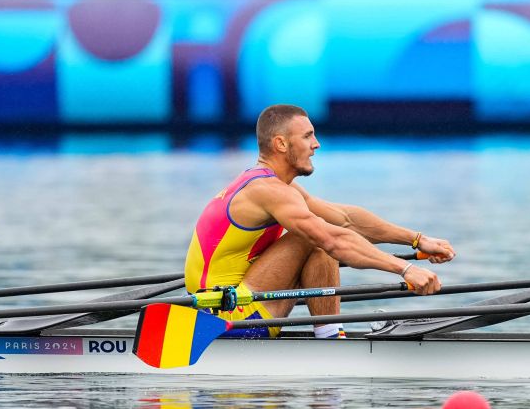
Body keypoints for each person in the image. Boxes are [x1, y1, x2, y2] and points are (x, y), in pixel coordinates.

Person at [185, 104, 456, 337]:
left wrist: (418, 239)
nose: (316, 144)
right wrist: (406, 269)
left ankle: (329, 335)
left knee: (319, 234)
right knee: (316, 237)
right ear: (280, 143)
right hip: (225, 319)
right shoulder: (267, 191)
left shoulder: (276, 188)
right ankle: (330, 340)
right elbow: (334, 238)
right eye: (307, 136)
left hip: (235, 309)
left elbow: (347, 220)